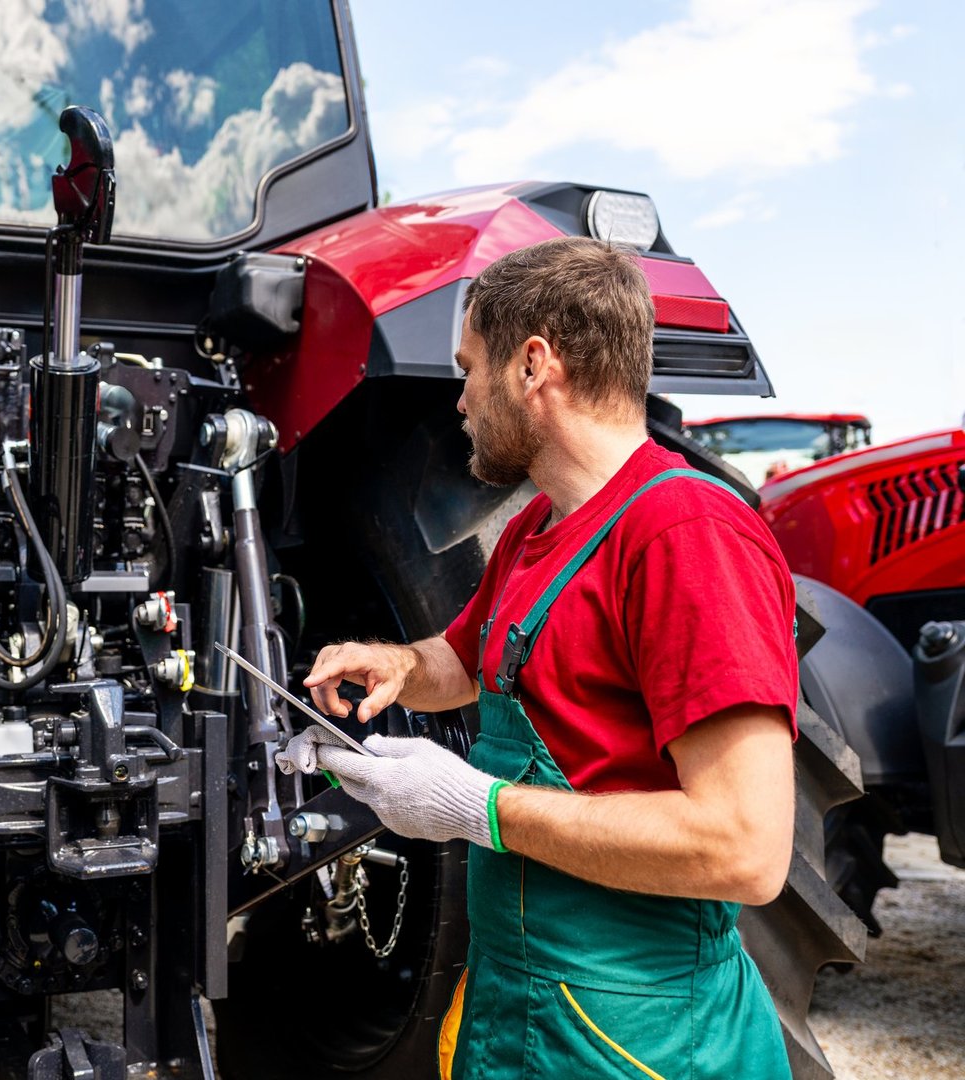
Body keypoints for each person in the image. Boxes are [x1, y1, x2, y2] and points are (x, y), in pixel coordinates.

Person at [277, 237, 798, 1080]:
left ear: (533, 367)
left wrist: (473, 807)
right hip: (526, 1010)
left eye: (469, 369)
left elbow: (744, 846)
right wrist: (401, 664)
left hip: (642, 1038)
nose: (460, 401)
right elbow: (473, 659)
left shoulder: (686, 537)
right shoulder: (535, 529)